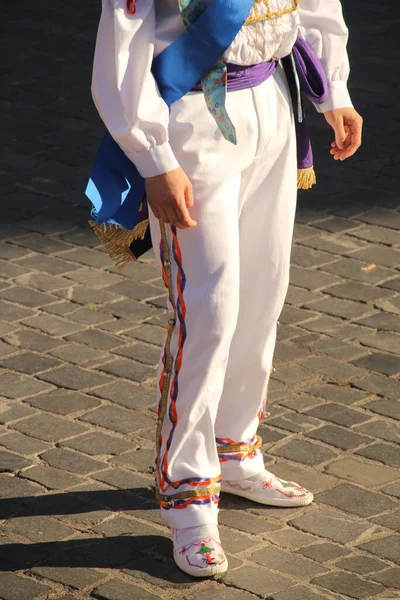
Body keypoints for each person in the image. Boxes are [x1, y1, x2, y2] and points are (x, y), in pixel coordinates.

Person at [90, 0, 363, 577]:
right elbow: (123, 42)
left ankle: (235, 449)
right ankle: (189, 497)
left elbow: (314, 4)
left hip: (274, 104)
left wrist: (332, 90)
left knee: (264, 295)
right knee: (208, 310)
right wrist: (154, 157)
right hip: (192, 120)